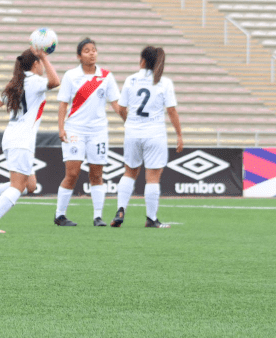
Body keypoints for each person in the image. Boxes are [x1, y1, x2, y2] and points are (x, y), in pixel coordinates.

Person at [0, 46, 59, 234]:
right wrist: (45, 58)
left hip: (11, 138)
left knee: (30, 185)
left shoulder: (17, 82)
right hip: (22, 140)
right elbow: (55, 81)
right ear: (35, 64)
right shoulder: (33, 82)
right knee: (17, 186)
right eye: (40, 62)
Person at [112, 46, 183, 228]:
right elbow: (172, 110)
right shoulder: (164, 82)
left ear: (142, 61)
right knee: (152, 177)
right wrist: (179, 134)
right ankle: (151, 218)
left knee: (129, 172)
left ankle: (120, 209)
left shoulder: (131, 79)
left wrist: (130, 121)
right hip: (154, 133)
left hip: (133, 133)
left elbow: (121, 108)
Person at [54, 37, 121, 227]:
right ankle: (60, 215)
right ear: (79, 55)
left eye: (94, 49)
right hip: (74, 129)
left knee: (97, 174)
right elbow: (63, 104)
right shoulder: (71, 75)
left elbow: (116, 103)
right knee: (72, 173)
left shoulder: (106, 76)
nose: (92, 53)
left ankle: (97, 216)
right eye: (87, 50)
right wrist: (61, 128)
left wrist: (128, 119)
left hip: (98, 131)